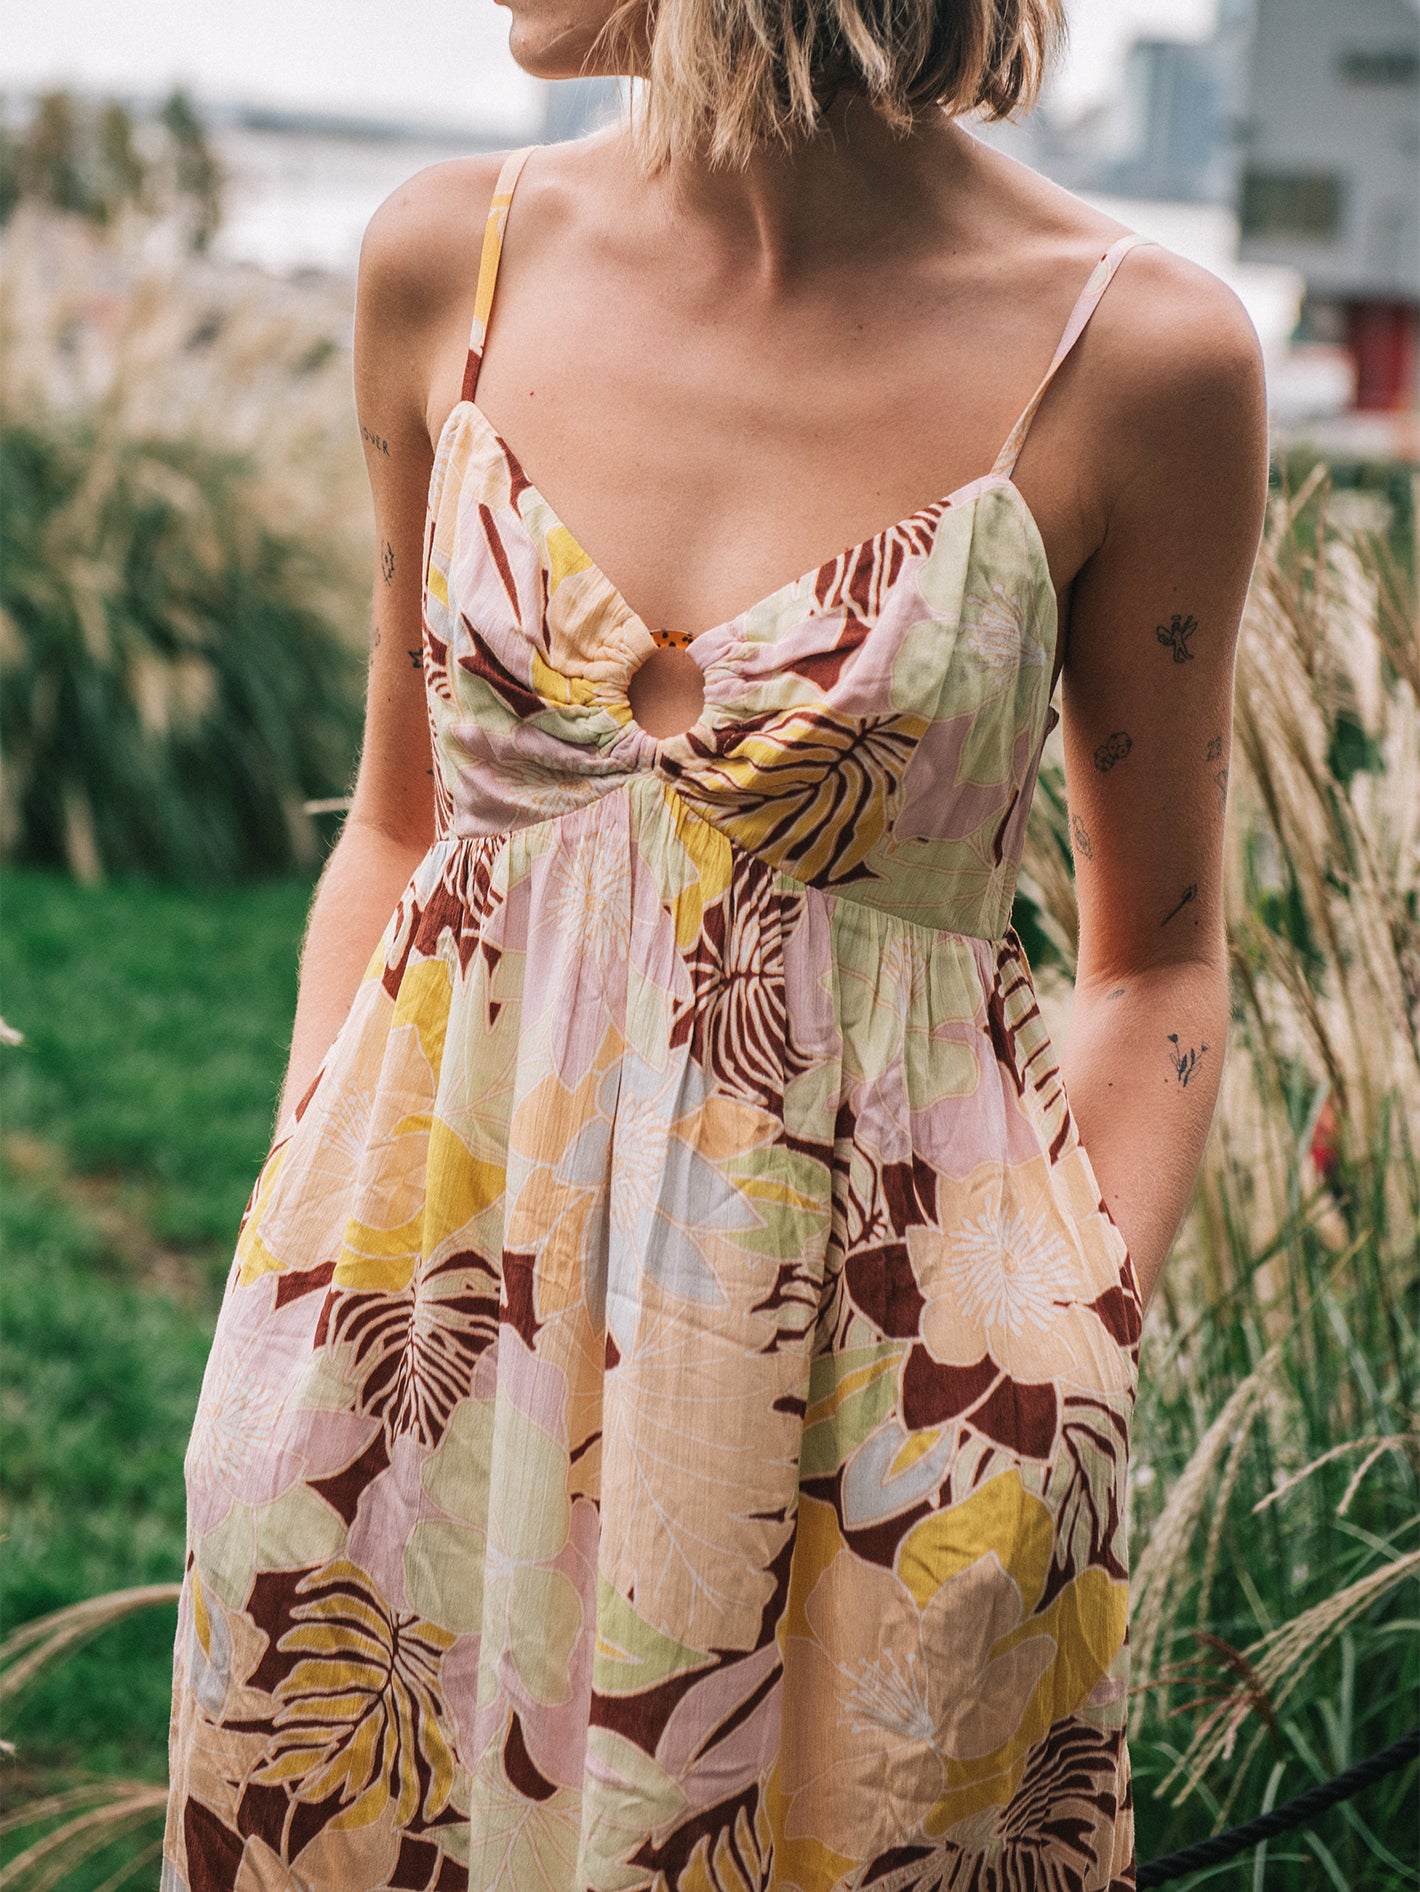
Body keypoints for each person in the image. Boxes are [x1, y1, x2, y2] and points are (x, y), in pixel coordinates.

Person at [161, 0, 1269, 1881]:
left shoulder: (1143, 359)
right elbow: (404, 821)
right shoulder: (449, 264)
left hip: (880, 1425)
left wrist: (1065, 1360)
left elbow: (1155, 957)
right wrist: (295, 1239)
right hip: (405, 1351)